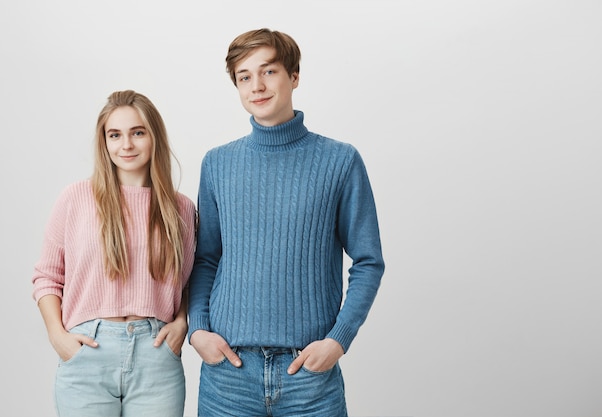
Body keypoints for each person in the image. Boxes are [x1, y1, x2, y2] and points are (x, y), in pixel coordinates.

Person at [188, 28, 386, 417]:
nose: (256, 86)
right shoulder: (217, 164)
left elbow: (368, 261)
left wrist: (338, 340)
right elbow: (205, 258)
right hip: (228, 374)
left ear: (294, 77)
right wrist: (198, 330)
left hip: (309, 376)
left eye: (269, 72)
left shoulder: (340, 161)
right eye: (244, 77)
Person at [31, 90, 196, 417]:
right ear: (104, 142)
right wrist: (58, 337)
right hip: (87, 353)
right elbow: (47, 278)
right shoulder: (76, 198)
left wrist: (181, 323)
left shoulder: (180, 208)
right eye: (115, 135)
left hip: (156, 357)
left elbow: (190, 280)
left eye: (138, 132)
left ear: (154, 137)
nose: (127, 145)